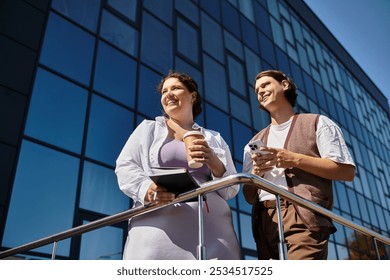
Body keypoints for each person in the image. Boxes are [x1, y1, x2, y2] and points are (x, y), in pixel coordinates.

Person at [115, 71, 241, 260]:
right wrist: (147, 189)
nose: (168, 94)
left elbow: (231, 191)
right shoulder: (148, 129)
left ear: (193, 96)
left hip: (213, 232)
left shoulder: (214, 138)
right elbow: (125, 165)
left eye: (175, 88)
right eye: (164, 91)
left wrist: (216, 164)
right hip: (157, 231)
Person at [242, 69, 356, 260]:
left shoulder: (318, 123)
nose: (260, 91)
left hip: (303, 214)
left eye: (266, 85)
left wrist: (294, 159)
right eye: (257, 90)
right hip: (265, 220)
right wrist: (256, 173)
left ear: (285, 85)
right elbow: (248, 197)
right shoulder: (254, 142)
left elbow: (346, 171)